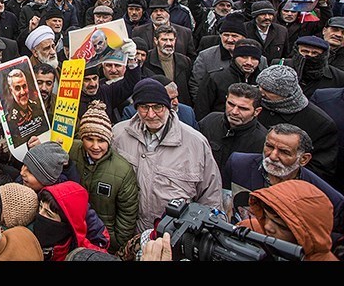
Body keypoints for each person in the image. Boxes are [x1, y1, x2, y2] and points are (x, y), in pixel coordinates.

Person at [112, 78, 223, 234]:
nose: (151, 114)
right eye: (144, 107)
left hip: (173, 236)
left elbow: (210, 197)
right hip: (127, 234)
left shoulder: (195, 143)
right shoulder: (118, 135)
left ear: (168, 106)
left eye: (158, 107)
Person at [222, 124, 344, 238]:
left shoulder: (326, 197)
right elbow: (223, 203)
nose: (273, 156)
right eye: (269, 146)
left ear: (303, 159)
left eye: (284, 152)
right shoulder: (237, 164)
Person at [68, 100, 139, 254]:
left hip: (104, 242)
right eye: (89, 139)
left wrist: (115, 243)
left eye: (101, 140)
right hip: (73, 233)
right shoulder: (70, 150)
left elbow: (127, 214)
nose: (95, 146)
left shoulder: (123, 170)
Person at [256, 64, 339, 184]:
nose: (261, 93)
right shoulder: (258, 104)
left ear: (285, 94)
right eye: (260, 86)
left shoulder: (320, 123)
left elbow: (320, 168)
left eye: (268, 90)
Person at [237, 180, 339, 261]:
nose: (268, 226)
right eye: (266, 216)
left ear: (306, 233)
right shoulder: (250, 230)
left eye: (281, 226)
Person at [199, 82, 268, 174]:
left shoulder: (262, 140)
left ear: (257, 111)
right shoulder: (210, 121)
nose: (234, 112)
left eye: (243, 108)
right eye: (231, 104)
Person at [33, 181, 109, 260]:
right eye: (40, 207)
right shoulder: (28, 232)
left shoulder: (85, 256)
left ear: (67, 222)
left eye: (48, 214)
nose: (40, 214)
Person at [194, 38, 263, 120]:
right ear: (234, 57)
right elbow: (201, 109)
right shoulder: (215, 78)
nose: (249, 62)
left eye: (254, 58)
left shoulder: (262, 83)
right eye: (244, 57)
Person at [3, 67, 48, 148]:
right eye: (17, 88)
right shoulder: (10, 120)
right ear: (11, 90)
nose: (23, 92)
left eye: (24, 86)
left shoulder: (37, 108)